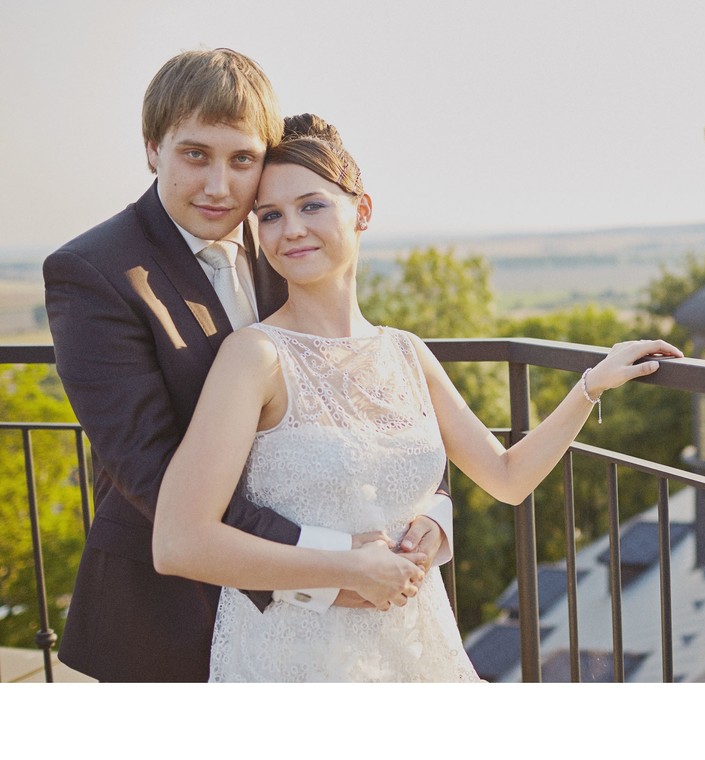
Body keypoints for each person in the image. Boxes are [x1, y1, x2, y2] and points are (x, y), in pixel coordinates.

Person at [151, 113, 685, 682]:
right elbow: (181, 543)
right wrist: (345, 570)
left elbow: (507, 477)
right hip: (297, 661)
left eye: (311, 206)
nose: (291, 230)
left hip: (413, 646)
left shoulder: (406, 353)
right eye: (270, 216)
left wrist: (589, 386)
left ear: (361, 211)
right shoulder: (254, 356)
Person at [43, 49, 452, 683]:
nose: (219, 186)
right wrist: (334, 564)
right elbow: (152, 474)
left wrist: (429, 515)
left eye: (243, 160)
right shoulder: (93, 273)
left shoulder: (284, 240)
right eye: (195, 155)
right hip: (169, 619)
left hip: (327, 633)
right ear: (153, 148)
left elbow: (366, 401)